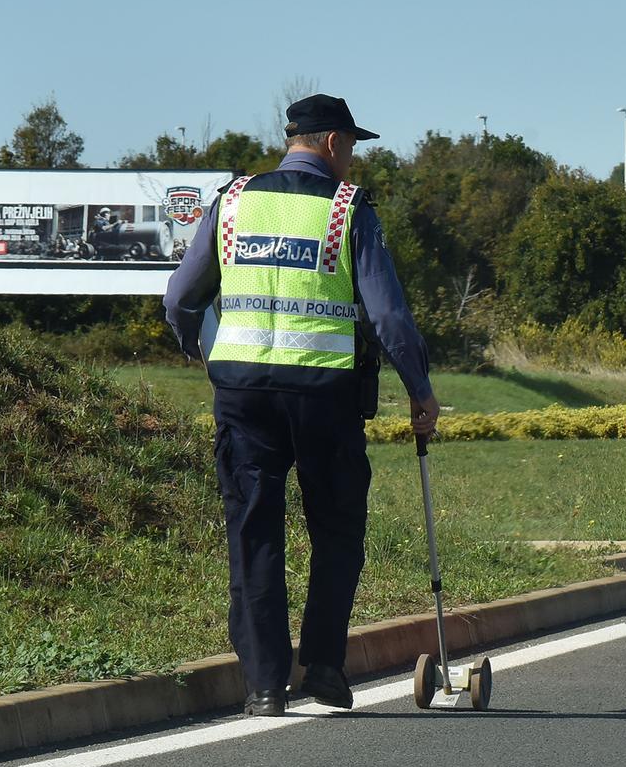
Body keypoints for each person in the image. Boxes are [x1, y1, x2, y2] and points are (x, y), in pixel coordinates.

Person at [163, 94, 440, 717]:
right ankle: (321, 667)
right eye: (352, 148)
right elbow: (389, 316)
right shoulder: (348, 208)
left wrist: (200, 348)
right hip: (325, 397)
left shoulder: (233, 202)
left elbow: (181, 295)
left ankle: (262, 686)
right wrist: (420, 389)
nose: (352, 160)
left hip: (243, 398)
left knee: (254, 531)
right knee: (337, 530)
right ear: (334, 142)